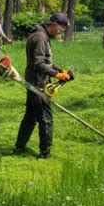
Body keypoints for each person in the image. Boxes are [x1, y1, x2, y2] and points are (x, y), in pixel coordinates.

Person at [13, 12, 71, 159]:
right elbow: (38, 63)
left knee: (30, 117)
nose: (60, 33)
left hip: (34, 80)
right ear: (53, 24)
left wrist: (60, 71)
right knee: (46, 119)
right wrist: (56, 75)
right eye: (61, 29)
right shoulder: (40, 37)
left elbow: (45, 62)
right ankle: (45, 153)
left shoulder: (39, 34)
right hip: (38, 83)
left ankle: (19, 147)